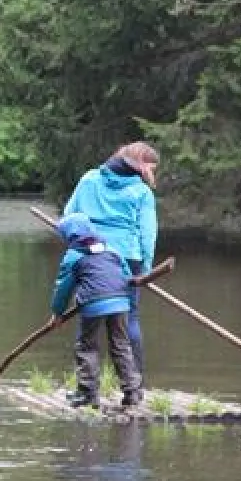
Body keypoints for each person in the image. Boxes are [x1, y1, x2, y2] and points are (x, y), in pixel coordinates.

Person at [63, 142, 159, 379]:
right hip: (128, 257)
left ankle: (86, 386)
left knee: (88, 316)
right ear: (142, 165)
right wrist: (145, 270)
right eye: (152, 168)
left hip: (89, 254)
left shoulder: (89, 180)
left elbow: (69, 215)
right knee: (129, 318)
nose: (152, 173)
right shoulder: (141, 192)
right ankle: (135, 383)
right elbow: (148, 234)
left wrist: (76, 243)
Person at [49, 212, 142, 407]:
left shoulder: (73, 256)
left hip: (93, 303)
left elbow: (63, 288)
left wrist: (57, 313)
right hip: (121, 302)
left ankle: (88, 393)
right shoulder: (111, 249)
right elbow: (126, 275)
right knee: (121, 345)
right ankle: (132, 392)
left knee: (87, 346)